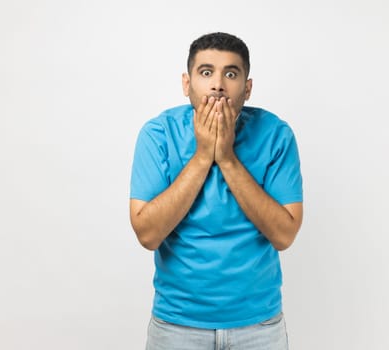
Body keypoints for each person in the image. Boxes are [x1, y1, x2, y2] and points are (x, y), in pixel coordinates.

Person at [130, 32, 303, 350]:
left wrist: (226, 158)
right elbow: (147, 234)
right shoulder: (158, 134)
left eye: (232, 73)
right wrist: (201, 156)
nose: (218, 84)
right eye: (206, 72)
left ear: (247, 88)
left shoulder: (276, 135)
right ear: (187, 84)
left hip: (258, 327)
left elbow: (284, 235)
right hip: (177, 325)